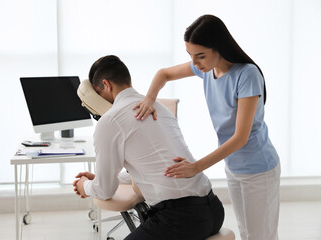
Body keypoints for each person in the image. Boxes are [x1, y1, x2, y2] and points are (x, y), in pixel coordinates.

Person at [133, 15, 280, 240]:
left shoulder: (246, 74)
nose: (195, 62)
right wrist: (150, 98)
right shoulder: (206, 70)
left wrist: (196, 167)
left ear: (219, 47)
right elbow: (163, 74)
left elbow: (241, 137)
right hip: (234, 166)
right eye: (190, 56)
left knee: (261, 236)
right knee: (246, 232)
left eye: (200, 56)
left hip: (259, 168)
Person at [73, 55, 224, 240]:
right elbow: (152, 165)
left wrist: (84, 186)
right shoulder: (159, 108)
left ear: (106, 85)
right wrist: (104, 178)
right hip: (214, 210)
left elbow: (104, 191)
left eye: (98, 92)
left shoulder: (110, 121)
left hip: (181, 219)